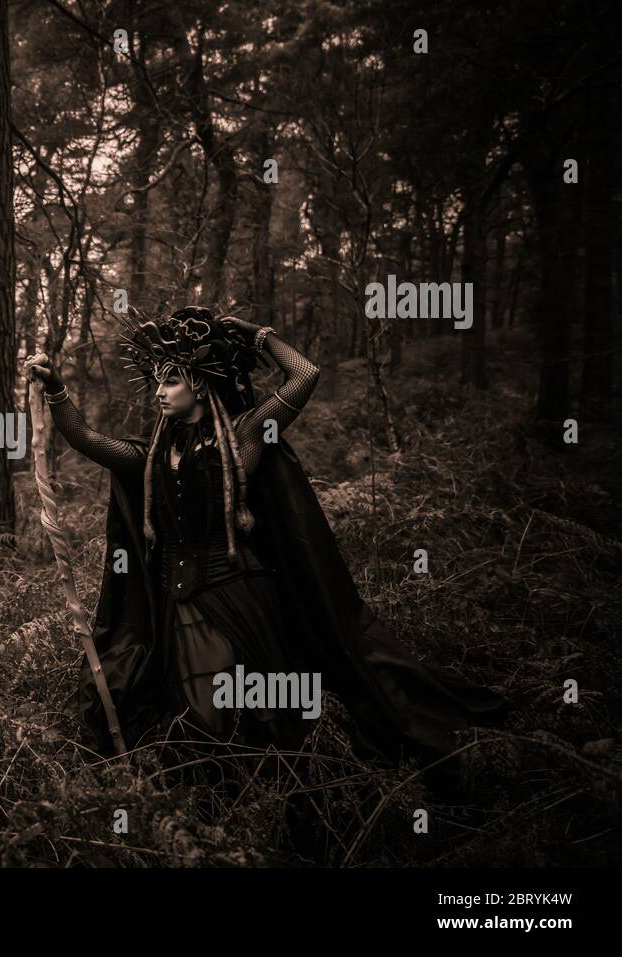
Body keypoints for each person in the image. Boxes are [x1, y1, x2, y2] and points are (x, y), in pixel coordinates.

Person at [25, 306, 508, 778]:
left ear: (199, 383)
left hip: (238, 594)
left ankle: (270, 795)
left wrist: (260, 336)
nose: (159, 393)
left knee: (229, 712)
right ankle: (229, 802)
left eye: (170, 380)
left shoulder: (244, 437)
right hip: (176, 605)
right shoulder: (149, 456)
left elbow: (304, 375)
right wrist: (56, 388)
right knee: (198, 716)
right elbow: (86, 439)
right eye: (157, 380)